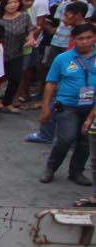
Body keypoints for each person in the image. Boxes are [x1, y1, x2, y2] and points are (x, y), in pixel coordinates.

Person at [38, 22, 96, 186]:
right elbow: (51, 83)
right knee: (65, 138)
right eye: (80, 38)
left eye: (88, 38)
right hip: (68, 104)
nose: (85, 41)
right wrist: (45, 108)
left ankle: (76, 172)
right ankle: (51, 167)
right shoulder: (62, 59)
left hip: (92, 107)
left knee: (85, 141)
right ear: (73, 39)